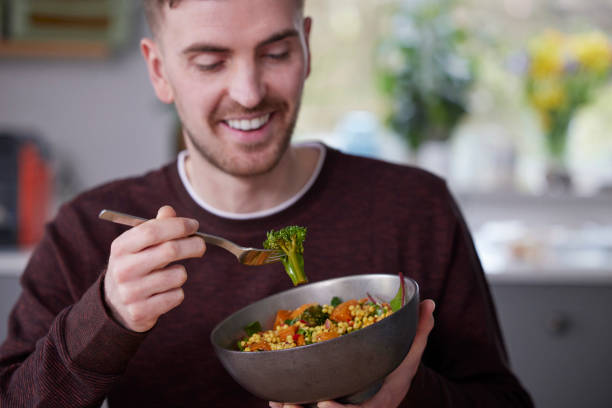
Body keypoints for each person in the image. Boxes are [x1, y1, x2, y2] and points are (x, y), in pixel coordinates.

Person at [0, 1, 533, 407]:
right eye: (210, 63)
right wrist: (107, 317)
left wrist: (406, 395)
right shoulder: (85, 233)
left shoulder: (416, 207)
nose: (249, 92)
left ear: (306, 48)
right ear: (160, 71)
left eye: (275, 53)